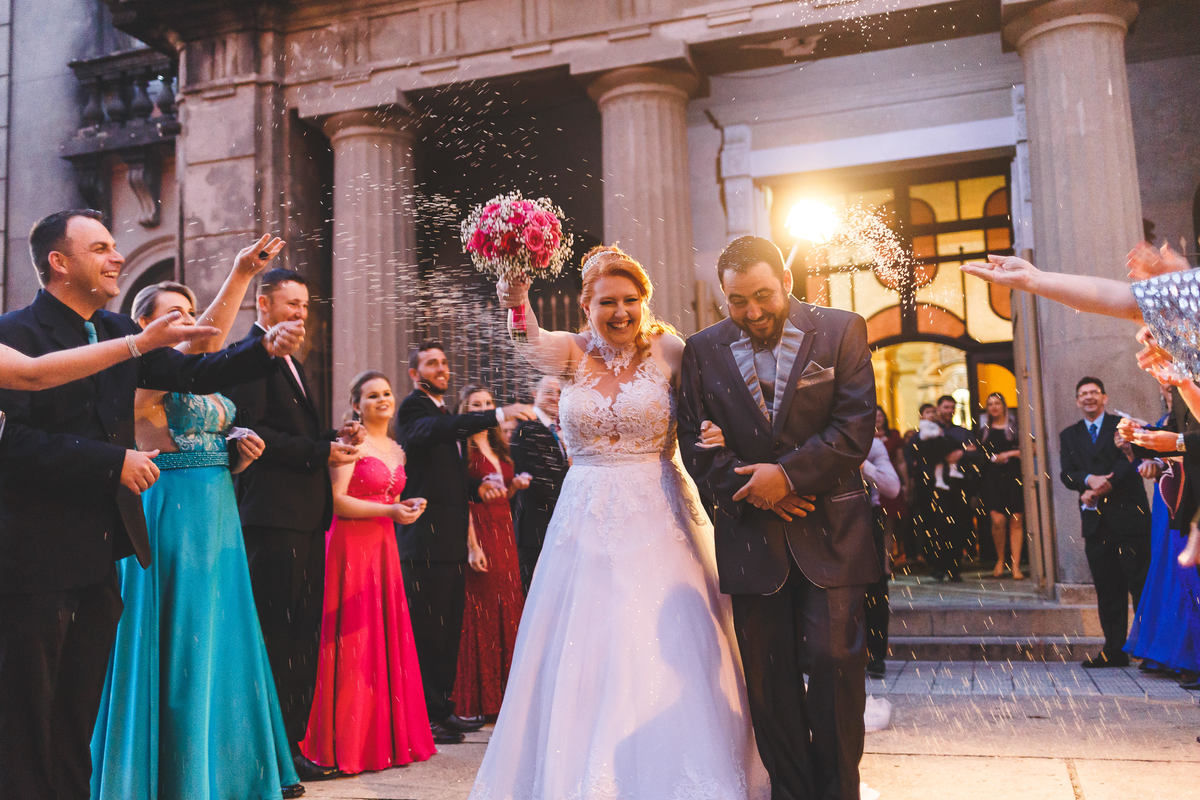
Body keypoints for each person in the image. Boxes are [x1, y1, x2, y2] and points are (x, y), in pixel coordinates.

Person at [0, 209, 301, 799]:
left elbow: (199, 370)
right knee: (27, 718)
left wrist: (264, 344)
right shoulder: (17, 333)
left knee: (77, 718)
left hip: (102, 554)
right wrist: (111, 462)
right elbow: (14, 443)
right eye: (101, 248)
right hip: (33, 555)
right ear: (59, 263)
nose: (117, 257)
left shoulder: (114, 328)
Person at [472, 244, 770, 800]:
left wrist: (717, 433)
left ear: (644, 300)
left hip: (660, 514)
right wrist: (515, 296)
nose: (620, 312)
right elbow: (526, 339)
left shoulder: (670, 350)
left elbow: (711, 407)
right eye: (607, 301)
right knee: (587, 640)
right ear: (586, 305)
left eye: (630, 299)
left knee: (666, 636)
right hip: (584, 519)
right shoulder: (570, 352)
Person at [91, 242, 303, 799]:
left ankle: (229, 772)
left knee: (221, 636)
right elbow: (206, 341)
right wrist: (240, 275)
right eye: (176, 314)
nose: (188, 322)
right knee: (182, 638)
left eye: (191, 311)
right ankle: (180, 777)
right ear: (144, 324)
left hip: (218, 512)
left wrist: (234, 452)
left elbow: (205, 371)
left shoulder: (189, 373)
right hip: (171, 513)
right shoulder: (137, 373)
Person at [678, 235, 878, 800]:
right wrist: (760, 492)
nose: (753, 311)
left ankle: (838, 792)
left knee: (835, 662)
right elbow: (696, 447)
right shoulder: (701, 350)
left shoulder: (842, 330)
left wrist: (785, 477)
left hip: (831, 532)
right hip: (751, 540)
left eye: (763, 295)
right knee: (769, 681)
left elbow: (853, 428)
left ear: (786, 281)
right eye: (737, 300)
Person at [225, 267, 363, 782]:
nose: (301, 314)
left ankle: (291, 749)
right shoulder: (249, 358)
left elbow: (292, 433)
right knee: (277, 636)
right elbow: (253, 434)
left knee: (302, 635)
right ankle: (269, 755)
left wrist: (333, 437)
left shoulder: (292, 362)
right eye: (291, 304)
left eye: (305, 305)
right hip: (271, 519)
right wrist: (320, 451)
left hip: (303, 519)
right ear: (263, 304)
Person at [395, 342, 535, 744]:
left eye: (443, 362)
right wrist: (497, 414)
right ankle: (427, 715)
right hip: (425, 543)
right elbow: (431, 433)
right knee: (428, 632)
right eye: (431, 363)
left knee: (447, 631)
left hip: (450, 542)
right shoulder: (414, 409)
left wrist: (478, 488)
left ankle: (443, 710)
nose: (441, 368)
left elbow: (446, 477)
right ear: (414, 373)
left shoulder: (443, 414)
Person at [300, 370, 435, 774]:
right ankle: (348, 740)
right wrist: (390, 510)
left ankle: (383, 737)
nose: (382, 399)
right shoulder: (351, 444)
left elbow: (387, 496)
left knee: (381, 636)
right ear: (356, 404)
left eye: (387, 392)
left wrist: (404, 506)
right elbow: (338, 501)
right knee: (352, 642)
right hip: (350, 546)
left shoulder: (396, 449)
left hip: (384, 547)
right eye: (372, 395)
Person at [1059, 376, 1151, 667]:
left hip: (1130, 520)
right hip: (1096, 523)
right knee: (1108, 589)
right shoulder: (1069, 435)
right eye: (1083, 393)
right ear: (1077, 400)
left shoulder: (1122, 426)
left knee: (1140, 586)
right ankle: (1114, 650)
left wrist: (1103, 486)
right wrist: (1087, 480)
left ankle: (1150, 651)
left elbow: (1133, 461)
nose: (1089, 397)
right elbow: (1067, 473)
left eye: (1094, 392)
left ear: (1105, 397)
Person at [452, 385, 530, 719]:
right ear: (464, 410)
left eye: (487, 403)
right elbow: (463, 500)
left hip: (504, 532)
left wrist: (514, 486)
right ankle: (481, 699)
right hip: (480, 531)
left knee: (507, 607)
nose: (483, 408)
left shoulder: (499, 445)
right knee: (482, 611)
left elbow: (499, 494)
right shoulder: (462, 449)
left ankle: (506, 697)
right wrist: (472, 546)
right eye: (475, 404)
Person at [509, 375, 569, 592]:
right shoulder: (528, 429)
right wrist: (571, 501)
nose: (555, 397)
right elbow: (541, 480)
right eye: (549, 392)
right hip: (536, 529)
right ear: (535, 394)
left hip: (551, 525)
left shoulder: (556, 431)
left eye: (559, 393)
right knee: (536, 589)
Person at [863, 435, 902, 679]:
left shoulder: (873, 445)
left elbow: (892, 487)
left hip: (868, 517)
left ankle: (876, 654)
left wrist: (861, 464)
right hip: (831, 518)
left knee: (876, 588)